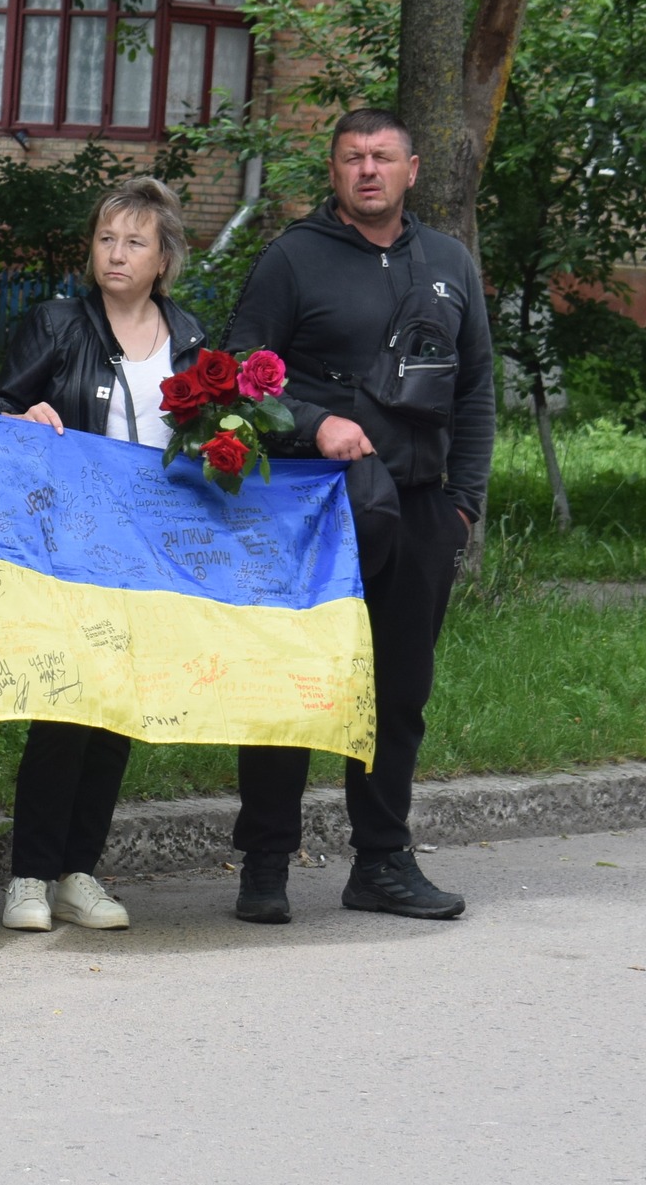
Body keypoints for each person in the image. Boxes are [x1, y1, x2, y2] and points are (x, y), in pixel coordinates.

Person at [224, 107, 495, 924]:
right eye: (352, 157)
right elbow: (236, 373)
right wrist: (313, 424)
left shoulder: (448, 263)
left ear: (412, 169)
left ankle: (381, 861)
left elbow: (476, 389)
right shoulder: (292, 258)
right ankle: (265, 862)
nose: (368, 170)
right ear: (334, 171)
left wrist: (461, 505)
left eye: (382, 156)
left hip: (418, 509)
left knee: (397, 692)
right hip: (311, 504)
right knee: (291, 684)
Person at [0, 177, 209, 933]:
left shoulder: (192, 341)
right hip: (68, 547)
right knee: (63, 709)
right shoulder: (57, 324)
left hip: (152, 554)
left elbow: (212, 437)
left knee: (117, 713)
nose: (117, 253)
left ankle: (80, 872)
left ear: (164, 258)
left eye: (135, 241)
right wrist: (23, 414)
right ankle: (28, 877)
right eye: (107, 239)